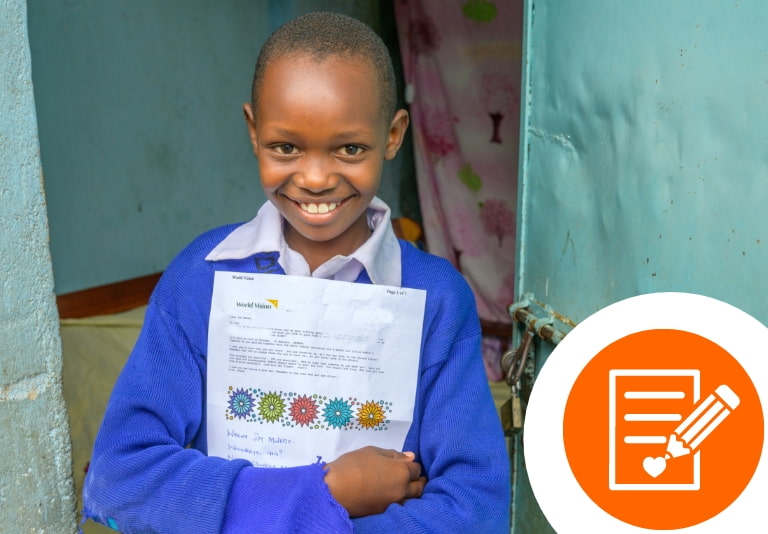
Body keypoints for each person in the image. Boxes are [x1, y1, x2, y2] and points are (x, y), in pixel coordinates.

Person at [83, 11, 510, 533]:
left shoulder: (436, 298)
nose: (314, 178)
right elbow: (119, 479)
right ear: (253, 130)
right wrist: (325, 494)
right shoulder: (200, 278)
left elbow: (476, 508)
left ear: (394, 135)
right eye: (285, 147)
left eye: (349, 148)